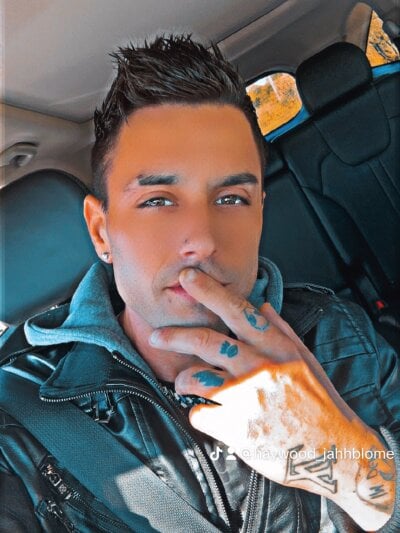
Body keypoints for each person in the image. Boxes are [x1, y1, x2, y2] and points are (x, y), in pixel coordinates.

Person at [0, 35, 399, 532]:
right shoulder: (16, 418)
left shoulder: (342, 336)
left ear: (260, 213)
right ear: (102, 231)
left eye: (232, 199)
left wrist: (348, 463)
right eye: (157, 201)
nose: (203, 242)